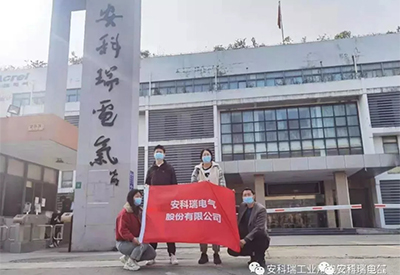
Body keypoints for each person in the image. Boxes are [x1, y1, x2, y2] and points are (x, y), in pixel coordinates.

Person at [190, 148, 226, 265]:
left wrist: (224, 197)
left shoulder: (217, 168)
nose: (206, 156)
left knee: (215, 229)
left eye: (208, 154)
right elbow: (192, 184)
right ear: (201, 157)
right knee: (203, 230)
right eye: (204, 154)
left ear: (211, 156)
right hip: (202, 204)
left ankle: (216, 253)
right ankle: (203, 253)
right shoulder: (196, 169)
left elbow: (222, 184)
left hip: (214, 204)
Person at [145, 145, 178, 265]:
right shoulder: (151, 170)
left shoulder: (169, 169)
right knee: (154, 230)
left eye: (160, 152)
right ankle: (151, 256)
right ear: (153, 154)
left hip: (167, 205)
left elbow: (174, 186)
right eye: (156, 152)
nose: (158, 154)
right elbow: (147, 186)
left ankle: (172, 255)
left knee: (169, 231)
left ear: (164, 154)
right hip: (154, 206)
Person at [228, 188, 270, 268]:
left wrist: (245, 240)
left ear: (253, 196)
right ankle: (253, 255)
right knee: (231, 250)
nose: (247, 197)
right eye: (244, 195)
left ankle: (260, 258)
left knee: (260, 234)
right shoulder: (243, 206)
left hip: (257, 238)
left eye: (249, 195)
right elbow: (230, 208)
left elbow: (259, 227)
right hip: (245, 236)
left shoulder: (260, 209)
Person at [116, 189, 156, 271]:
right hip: (124, 243)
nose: (139, 198)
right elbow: (122, 230)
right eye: (137, 196)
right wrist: (132, 238)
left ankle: (127, 258)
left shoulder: (140, 211)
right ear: (131, 198)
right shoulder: (124, 213)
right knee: (144, 242)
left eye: (140, 197)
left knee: (151, 254)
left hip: (137, 240)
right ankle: (131, 262)